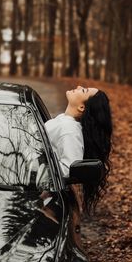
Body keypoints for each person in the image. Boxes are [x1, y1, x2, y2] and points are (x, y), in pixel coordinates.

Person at [45, 85, 113, 216]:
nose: (79, 86)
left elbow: (69, 169)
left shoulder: (69, 130)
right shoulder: (64, 120)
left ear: (82, 107)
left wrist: (38, 170)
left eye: (84, 90)